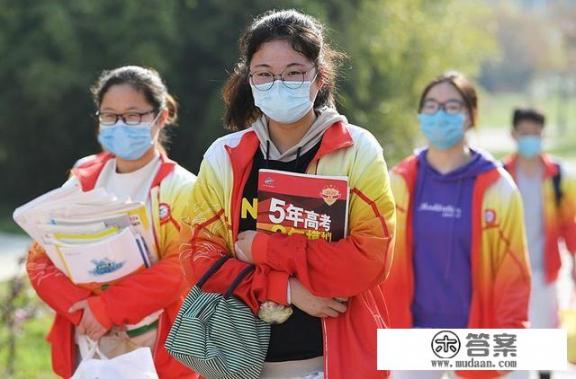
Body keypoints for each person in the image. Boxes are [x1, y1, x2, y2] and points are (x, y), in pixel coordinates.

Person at [178, 9, 395, 379]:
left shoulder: (355, 149)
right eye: (265, 74)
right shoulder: (225, 156)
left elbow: (370, 259)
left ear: (318, 76)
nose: (279, 84)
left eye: (294, 72)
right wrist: (287, 289)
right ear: (250, 80)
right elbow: (198, 258)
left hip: (329, 365)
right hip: (239, 366)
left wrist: (265, 249)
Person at [25, 65, 197, 378]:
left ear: (161, 117)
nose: (120, 125)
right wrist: (83, 309)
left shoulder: (181, 187)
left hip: (156, 343)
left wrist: (109, 308)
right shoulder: (83, 176)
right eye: (109, 115)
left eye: (133, 115)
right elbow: (40, 257)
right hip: (86, 337)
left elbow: (183, 267)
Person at [383, 71, 531, 379]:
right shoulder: (400, 180)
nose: (440, 114)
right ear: (421, 114)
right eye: (432, 105)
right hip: (412, 331)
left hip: (479, 331)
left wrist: (512, 337)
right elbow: (380, 256)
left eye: (451, 106)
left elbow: (513, 270)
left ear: (470, 115)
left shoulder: (498, 188)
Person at [503, 107, 576, 379]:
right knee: (513, 336)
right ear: (513, 134)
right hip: (509, 273)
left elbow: (570, 223)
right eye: (525, 133)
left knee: (545, 334)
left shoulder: (557, 176)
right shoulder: (501, 175)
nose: (530, 139)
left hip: (545, 271)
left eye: (536, 134)